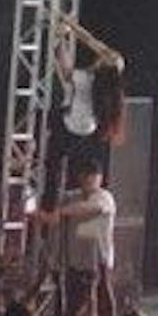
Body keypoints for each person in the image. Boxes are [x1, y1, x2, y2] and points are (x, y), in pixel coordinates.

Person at [42, 16, 125, 211]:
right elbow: (91, 42)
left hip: (71, 126)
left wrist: (60, 40)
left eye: (101, 57)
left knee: (53, 164)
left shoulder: (87, 80)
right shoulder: (109, 85)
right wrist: (69, 27)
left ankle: (50, 208)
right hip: (88, 130)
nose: (100, 54)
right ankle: (61, 205)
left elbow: (65, 69)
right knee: (72, 166)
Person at [39, 157, 116, 316]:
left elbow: (92, 208)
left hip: (97, 262)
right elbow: (54, 219)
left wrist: (62, 211)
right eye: (87, 176)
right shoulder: (71, 197)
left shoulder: (104, 197)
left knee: (99, 302)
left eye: (94, 176)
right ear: (80, 177)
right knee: (74, 305)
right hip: (74, 262)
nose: (90, 180)